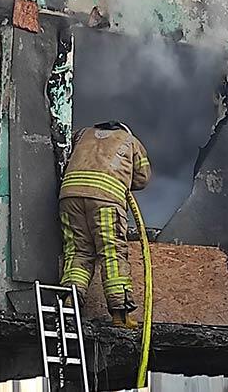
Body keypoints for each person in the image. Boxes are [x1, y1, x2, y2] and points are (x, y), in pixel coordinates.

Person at [58, 121, 151, 327]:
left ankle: (70, 300)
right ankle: (120, 314)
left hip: (69, 196)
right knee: (112, 252)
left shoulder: (82, 134)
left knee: (78, 251)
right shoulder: (130, 141)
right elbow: (143, 178)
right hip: (105, 199)